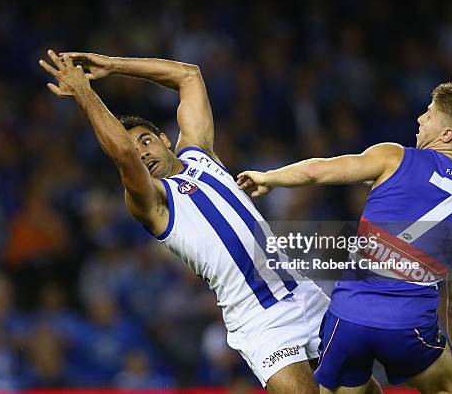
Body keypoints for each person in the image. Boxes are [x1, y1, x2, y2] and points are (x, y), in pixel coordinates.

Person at [38, 50, 345, 393]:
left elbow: (189, 76)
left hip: (303, 291)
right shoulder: (152, 202)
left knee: (364, 391)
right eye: (132, 148)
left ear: (164, 139)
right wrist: (85, 93)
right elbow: (124, 155)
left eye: (146, 140)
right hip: (261, 321)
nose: (140, 151)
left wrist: (114, 66)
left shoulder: (200, 153)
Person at [237, 83, 452, 393]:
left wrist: (269, 178)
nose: (420, 119)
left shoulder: (392, 157)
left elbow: (319, 170)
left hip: (348, 318)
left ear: (447, 134)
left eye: (429, 114)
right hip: (407, 329)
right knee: (442, 383)